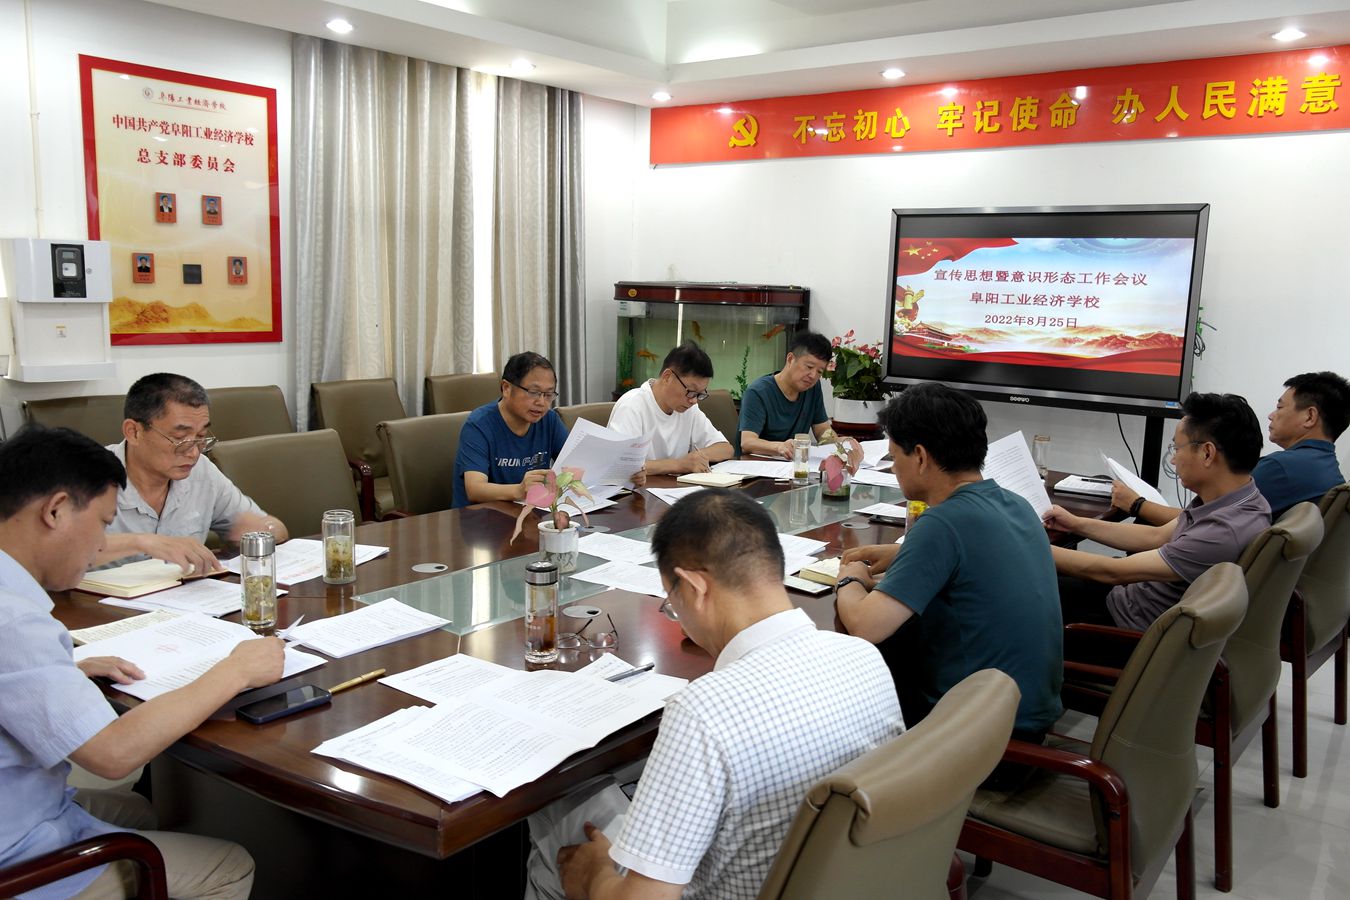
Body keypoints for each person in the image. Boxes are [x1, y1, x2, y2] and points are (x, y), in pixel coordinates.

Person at [528, 489, 903, 900]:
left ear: (694, 587)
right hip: (841, 881)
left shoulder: (704, 711)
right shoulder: (863, 657)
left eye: (673, 603)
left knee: (556, 815)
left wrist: (595, 875)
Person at [0, 425, 284, 900]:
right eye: (102, 524)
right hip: (18, 856)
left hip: (20, 801)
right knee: (230, 865)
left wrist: (64, 672)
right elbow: (113, 755)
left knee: (142, 811)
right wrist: (237, 670)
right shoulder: (14, 621)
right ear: (55, 510)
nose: (100, 546)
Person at [835, 383, 1063, 741]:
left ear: (920, 457)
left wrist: (850, 578)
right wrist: (902, 554)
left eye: (894, 457)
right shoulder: (1015, 504)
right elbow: (974, 565)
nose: (893, 469)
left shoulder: (942, 523)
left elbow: (866, 626)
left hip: (978, 738)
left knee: (861, 678)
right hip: (1028, 714)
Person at [1050, 392, 1271, 630]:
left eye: (1177, 448)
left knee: (1026, 585)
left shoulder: (1222, 532)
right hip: (1131, 595)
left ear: (1207, 453)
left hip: (1122, 622)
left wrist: (1032, 544)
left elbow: (1113, 572)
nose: (1173, 460)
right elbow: (1156, 536)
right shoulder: (1240, 500)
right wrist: (1075, 523)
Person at [97, 373, 288, 576]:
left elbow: (275, 527)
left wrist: (263, 531)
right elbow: (70, 552)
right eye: (180, 439)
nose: (194, 453)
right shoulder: (86, 476)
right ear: (134, 432)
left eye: (201, 437)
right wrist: (142, 542)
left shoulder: (201, 471)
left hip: (184, 594)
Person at [1113, 371, 1348, 523]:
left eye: (1279, 407)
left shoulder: (1282, 469)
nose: (1271, 415)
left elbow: (1204, 523)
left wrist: (1137, 504)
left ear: (1309, 416)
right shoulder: (1327, 469)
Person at [452, 352, 570, 508]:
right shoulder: (479, 425)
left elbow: (573, 466)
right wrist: (519, 490)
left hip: (529, 513)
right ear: (506, 388)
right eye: (533, 392)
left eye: (548, 395)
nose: (542, 402)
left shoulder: (549, 420)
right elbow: (475, 489)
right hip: (480, 517)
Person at [606, 341, 733, 475]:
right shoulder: (633, 405)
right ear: (667, 377)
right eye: (691, 391)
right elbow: (619, 465)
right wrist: (678, 464)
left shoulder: (689, 409)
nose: (694, 400)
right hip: (641, 488)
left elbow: (725, 448)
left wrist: (697, 458)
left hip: (674, 486)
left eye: (699, 394)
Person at [738, 330, 862, 466]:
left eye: (819, 371)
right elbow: (747, 442)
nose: (813, 375)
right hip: (758, 467)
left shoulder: (812, 388)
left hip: (794, 467)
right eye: (809, 367)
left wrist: (841, 443)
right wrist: (779, 447)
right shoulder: (758, 392)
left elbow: (822, 431)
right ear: (790, 359)